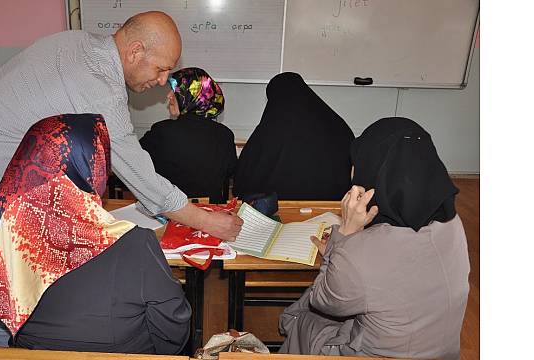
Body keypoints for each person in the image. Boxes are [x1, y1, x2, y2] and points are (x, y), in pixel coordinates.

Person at [0, 11, 242, 347]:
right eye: (161, 68)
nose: (161, 80)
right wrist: (207, 222)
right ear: (135, 51)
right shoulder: (100, 89)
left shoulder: (76, 40)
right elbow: (144, 179)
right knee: (12, 312)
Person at [0, 113, 191, 353]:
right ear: (93, 166)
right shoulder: (135, 243)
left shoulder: (4, 234)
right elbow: (173, 320)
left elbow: (4, 309)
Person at [278, 117, 470, 359]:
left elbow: (324, 301)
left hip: (375, 355)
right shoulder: (453, 224)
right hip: (442, 353)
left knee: (301, 318)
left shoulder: (360, 255)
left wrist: (344, 237)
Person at [233, 72, 354, 200]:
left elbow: (244, 179)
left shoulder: (271, 128)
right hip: (332, 209)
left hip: (279, 211)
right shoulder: (338, 125)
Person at [139, 67, 237, 203]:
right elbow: (229, 172)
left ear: (190, 95)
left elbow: (136, 166)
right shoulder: (225, 134)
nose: (168, 96)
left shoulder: (162, 131)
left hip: (173, 214)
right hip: (213, 214)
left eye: (174, 91)